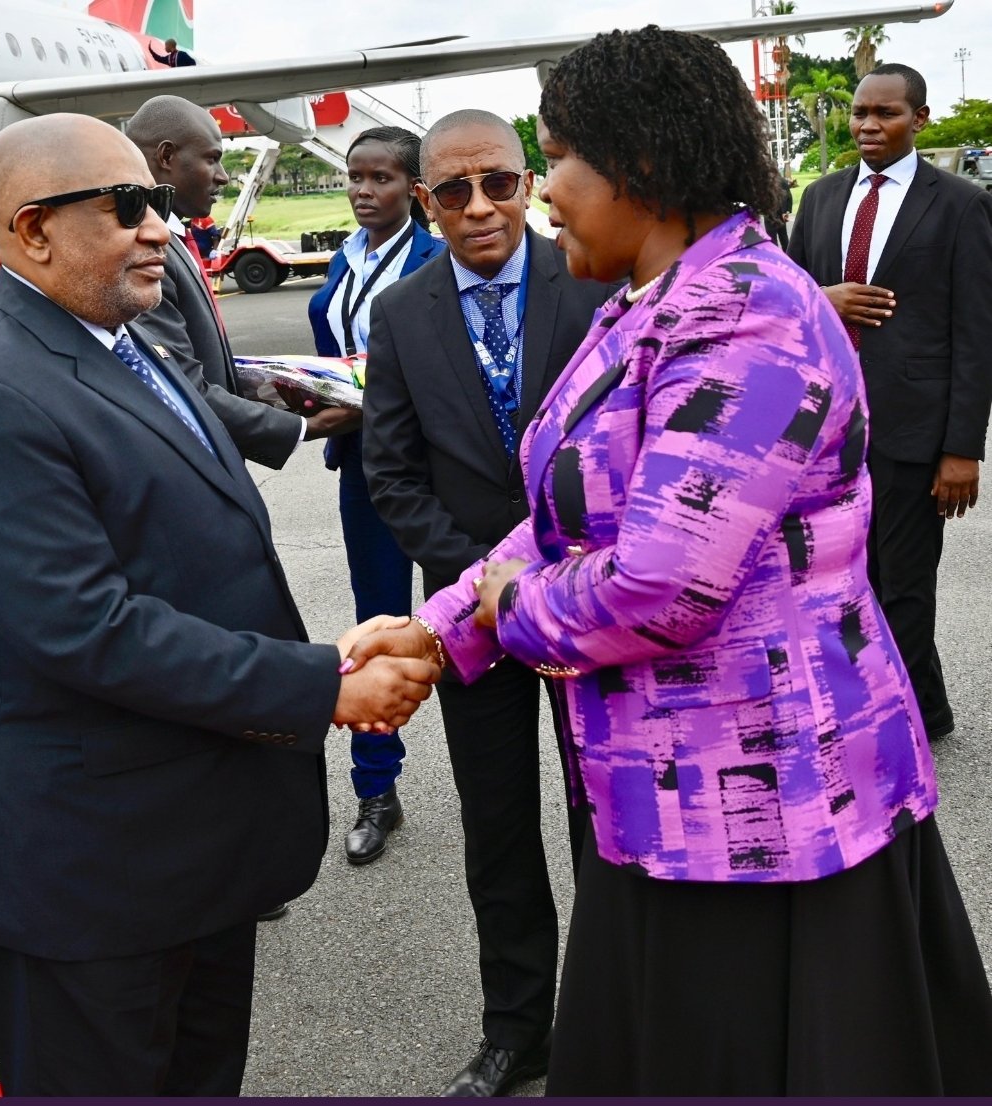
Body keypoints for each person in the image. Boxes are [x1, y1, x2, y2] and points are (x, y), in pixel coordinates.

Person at [348, 28, 992, 1096]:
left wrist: (507, 607)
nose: (542, 191)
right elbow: (565, 520)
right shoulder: (649, 302)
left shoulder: (746, 318)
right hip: (664, 787)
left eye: (552, 159)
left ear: (638, 166)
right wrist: (438, 623)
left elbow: (655, 587)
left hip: (770, 811)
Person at [0, 112, 439, 1097]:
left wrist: (325, 659)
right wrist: (321, 683)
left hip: (186, 847)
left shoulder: (118, 342)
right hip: (91, 870)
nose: (160, 225)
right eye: (126, 206)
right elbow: (86, 627)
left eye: (158, 202)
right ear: (32, 230)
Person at [362, 109, 609, 1095]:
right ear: (424, 201)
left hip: (593, 609)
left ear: (525, 182)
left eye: (498, 183)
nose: (478, 208)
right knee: (497, 827)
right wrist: (483, 587)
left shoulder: (593, 280)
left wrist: (553, 581)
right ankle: (517, 1027)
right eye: (452, 191)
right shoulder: (403, 312)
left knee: (605, 818)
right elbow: (390, 474)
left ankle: (609, 1017)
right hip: (473, 626)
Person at [789, 63, 992, 744]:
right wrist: (822, 297)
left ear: (919, 120)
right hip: (827, 432)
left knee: (903, 587)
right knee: (842, 582)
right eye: (859, 114)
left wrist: (961, 448)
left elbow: (975, 332)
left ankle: (891, 730)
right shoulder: (817, 198)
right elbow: (782, 305)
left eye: (886, 114)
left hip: (912, 431)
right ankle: (924, 710)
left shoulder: (960, 204)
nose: (868, 126)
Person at [307, 127, 444, 866]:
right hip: (363, 467)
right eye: (354, 177)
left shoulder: (438, 255)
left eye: (381, 178)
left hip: (439, 470)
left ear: (414, 189)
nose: (363, 191)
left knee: (467, 628)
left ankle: (493, 774)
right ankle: (375, 791)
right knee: (373, 629)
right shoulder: (344, 258)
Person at [128, 96, 357, 474]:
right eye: (211, 158)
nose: (222, 175)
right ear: (166, 156)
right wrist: (305, 427)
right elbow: (182, 384)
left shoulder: (176, 234)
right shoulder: (145, 252)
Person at [764, 171, 794, 248]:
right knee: (783, 237)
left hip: (769, 214)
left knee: (772, 239)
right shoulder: (783, 181)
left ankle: (775, 257)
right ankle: (788, 255)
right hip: (781, 214)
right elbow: (789, 198)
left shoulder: (765, 181)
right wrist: (786, 211)